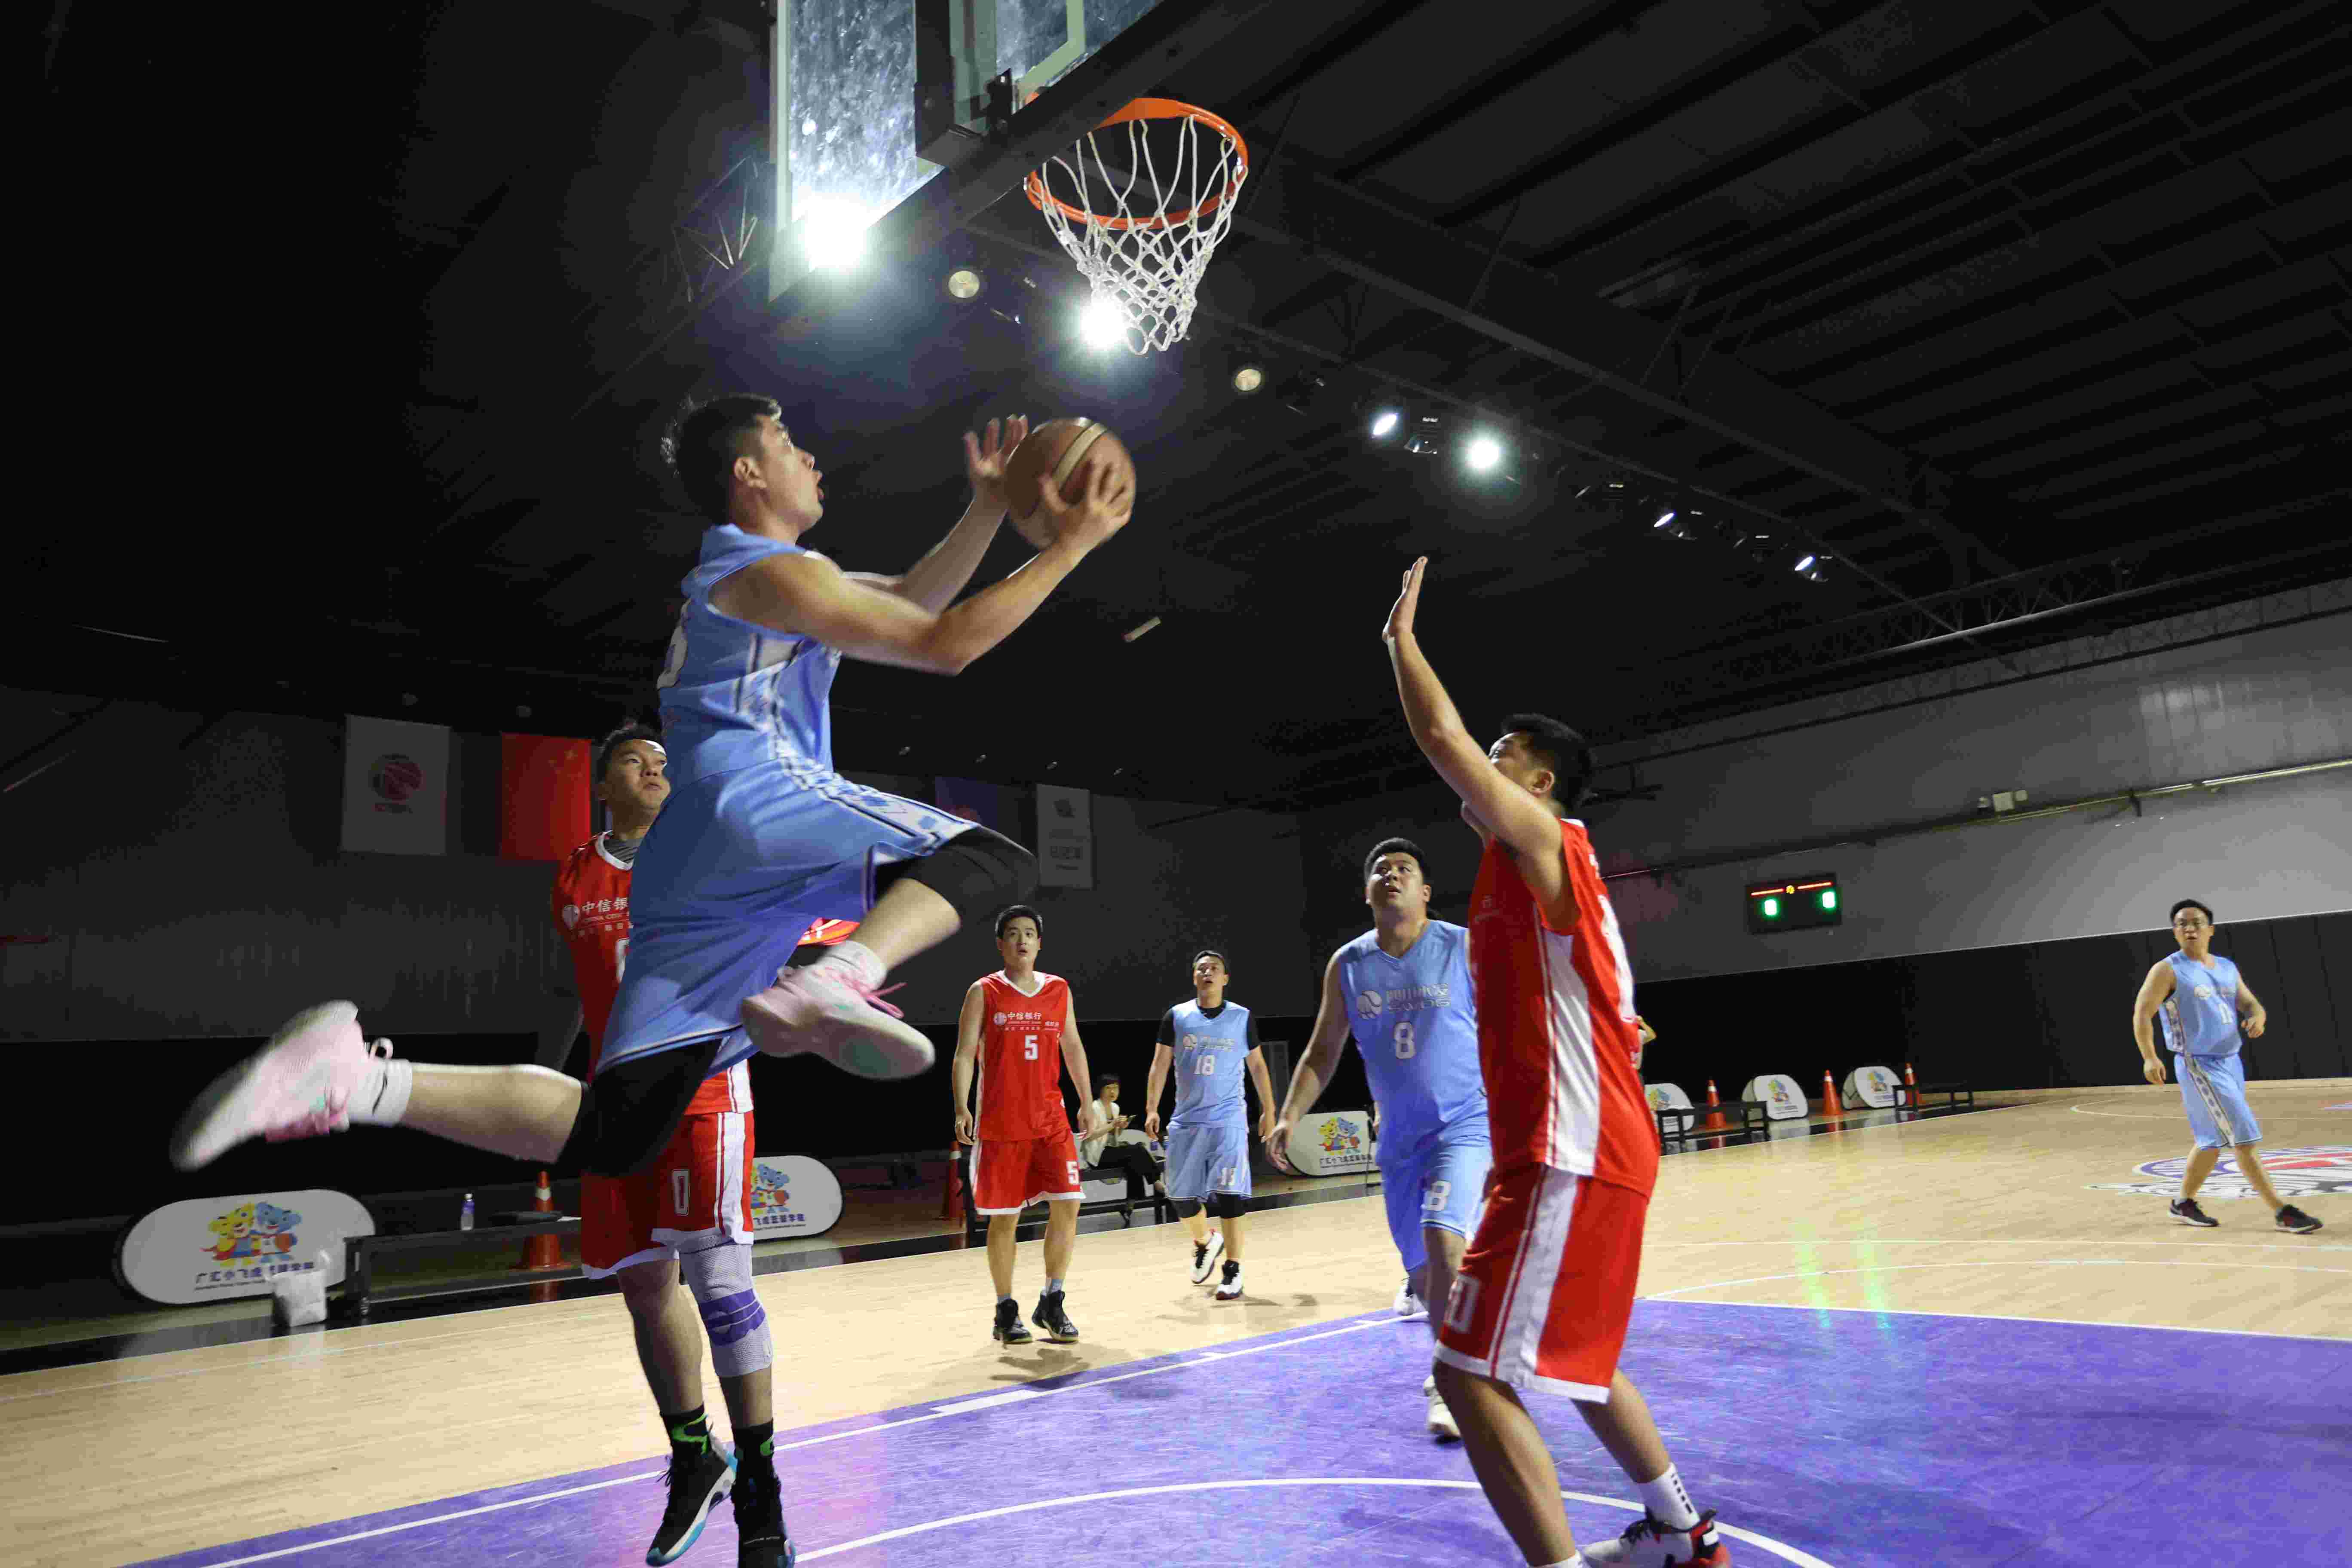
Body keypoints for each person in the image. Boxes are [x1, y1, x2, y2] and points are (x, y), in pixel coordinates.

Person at [170, 400, 1132, 1567]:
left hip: (702, 876)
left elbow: (913, 603)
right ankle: (842, 977)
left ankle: (357, 1081)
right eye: (790, 443)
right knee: (992, 858)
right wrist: (1069, 546)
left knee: (613, 1132)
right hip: (755, 807)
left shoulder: (779, 581)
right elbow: (944, 645)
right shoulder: (755, 570)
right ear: (749, 474)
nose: (811, 456)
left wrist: (982, 511)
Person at [1383, 557, 1728, 1568]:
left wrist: (1399, 643)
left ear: (1537, 783)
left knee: (1465, 1373)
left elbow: (1441, 740)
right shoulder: (1519, 872)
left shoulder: (1549, 840)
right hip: (1589, 1147)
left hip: (1569, 1151)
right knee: (1575, 1358)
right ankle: (1683, 1531)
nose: (1481, 767)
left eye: (1504, 757)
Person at [551, 723, 839, 1564]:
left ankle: (762, 1497)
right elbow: (567, 989)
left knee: (718, 1283)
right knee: (645, 1286)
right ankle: (693, 1455)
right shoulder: (573, 874)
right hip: (613, 1099)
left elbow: (803, 925)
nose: (653, 768)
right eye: (634, 760)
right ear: (602, 783)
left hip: (704, 1085)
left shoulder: (711, 857)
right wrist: (545, 1090)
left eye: (663, 762)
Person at [1267, 836, 1487, 1442]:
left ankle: (1453, 1382)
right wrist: (1289, 1114)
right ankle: (1459, 1351)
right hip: (1398, 1140)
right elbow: (1322, 1051)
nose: (1392, 875)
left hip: (1465, 1124)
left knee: (1445, 1242)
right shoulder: (1349, 963)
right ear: (1366, 893)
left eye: (1404, 868)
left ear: (1426, 891)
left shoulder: (1462, 947)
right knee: (1424, 1275)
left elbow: (1509, 1024)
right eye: (1380, 870)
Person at [951, 905, 1100, 1344]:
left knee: (1068, 1203)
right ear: (1001, 944)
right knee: (1005, 1219)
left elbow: (1072, 1046)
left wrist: (1086, 1100)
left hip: (1050, 1119)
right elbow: (964, 1054)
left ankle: (1052, 1301)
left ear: (1040, 944)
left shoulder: (1058, 990)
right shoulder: (984, 991)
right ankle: (1005, 1311)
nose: (1022, 940)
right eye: (1014, 933)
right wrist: (962, 1107)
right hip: (1002, 1122)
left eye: (1030, 933)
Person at [2132, 898, 2321, 1234]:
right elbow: (2142, 1013)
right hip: (2199, 1064)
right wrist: (2150, 1056)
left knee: (2212, 1140)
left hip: (2231, 1061)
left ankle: (2183, 1203)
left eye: (2196, 922)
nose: (2189, 928)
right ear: (2175, 932)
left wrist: (2258, 1017)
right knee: (2242, 1136)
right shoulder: (2168, 970)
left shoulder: (2226, 967)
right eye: (2181, 924)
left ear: (2211, 929)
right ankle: (2282, 1211)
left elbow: (2249, 1003)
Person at [1142, 949, 1276, 1303]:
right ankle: (1205, 1241)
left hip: (1228, 1119)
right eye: (1202, 969)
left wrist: (1269, 1109)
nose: (1208, 973)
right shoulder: (1177, 1016)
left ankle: (1233, 1268)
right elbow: (1159, 1065)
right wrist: (1152, 1108)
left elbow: (1258, 1066)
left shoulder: (1241, 1017)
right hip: (1187, 1120)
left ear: (1225, 978)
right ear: (1194, 977)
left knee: (1230, 1193)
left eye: (1214, 969)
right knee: (1180, 1197)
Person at [1081, 1073, 1162, 1215]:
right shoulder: (1093, 1108)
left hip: (1110, 1150)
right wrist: (1113, 1124)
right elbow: (1090, 1135)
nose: (1112, 1091)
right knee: (1137, 1151)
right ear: (1100, 1089)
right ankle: (1157, 1183)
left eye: (1115, 1088)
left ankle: (1130, 1204)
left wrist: (1121, 1128)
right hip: (1096, 1156)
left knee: (1134, 1160)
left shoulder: (1115, 1108)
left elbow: (1112, 1137)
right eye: (1108, 1088)